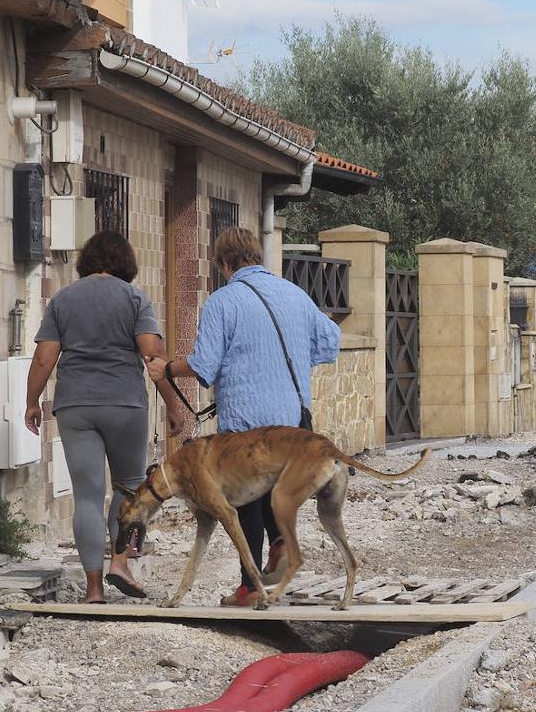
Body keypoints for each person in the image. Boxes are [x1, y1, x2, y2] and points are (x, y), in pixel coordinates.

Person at [147, 227, 341, 607]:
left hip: (246, 419)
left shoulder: (223, 301)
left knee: (246, 502)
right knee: (277, 487)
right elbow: (330, 341)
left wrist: (167, 369)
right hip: (294, 418)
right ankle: (282, 543)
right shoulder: (295, 295)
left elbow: (204, 365)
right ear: (257, 255)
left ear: (224, 263)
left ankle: (249, 589)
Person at [26, 231, 186, 604]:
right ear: (124, 262)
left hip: (75, 406)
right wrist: (174, 407)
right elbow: (153, 357)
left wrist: (32, 401)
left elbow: (44, 358)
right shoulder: (134, 298)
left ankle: (93, 589)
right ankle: (119, 562)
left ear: (86, 261)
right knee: (129, 486)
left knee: (86, 496)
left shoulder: (63, 299)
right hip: (124, 404)